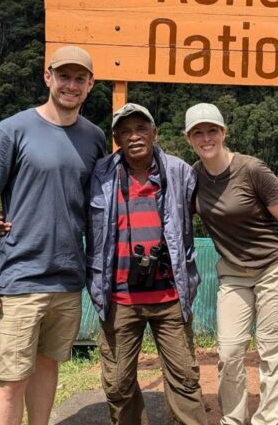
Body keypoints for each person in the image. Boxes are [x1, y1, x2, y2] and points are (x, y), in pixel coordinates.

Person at [0, 45, 106, 425]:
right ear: (48, 77)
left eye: (80, 78)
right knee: (11, 378)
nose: (71, 85)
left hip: (67, 279)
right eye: (64, 76)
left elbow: (95, 206)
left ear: (91, 84)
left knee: (47, 366)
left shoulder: (94, 138)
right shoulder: (12, 130)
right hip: (20, 277)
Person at [183, 103, 278, 425]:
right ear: (189, 139)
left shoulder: (252, 170)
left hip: (272, 270)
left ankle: (266, 421)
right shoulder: (192, 177)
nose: (206, 138)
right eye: (198, 133)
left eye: (212, 131)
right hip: (233, 275)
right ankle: (233, 420)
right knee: (229, 352)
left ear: (224, 133)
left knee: (271, 352)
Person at [86, 103, 207, 425]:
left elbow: (217, 207)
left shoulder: (180, 172)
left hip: (170, 297)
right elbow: (65, 206)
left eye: (141, 129)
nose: (134, 136)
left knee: (184, 378)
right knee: (117, 383)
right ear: (116, 138)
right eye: (125, 131)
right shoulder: (99, 175)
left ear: (154, 133)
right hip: (119, 298)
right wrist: (6, 218)